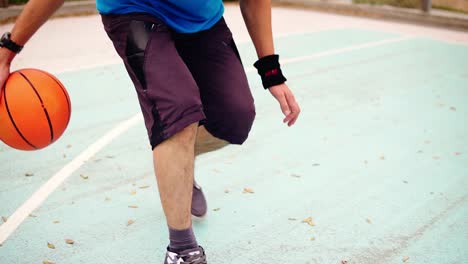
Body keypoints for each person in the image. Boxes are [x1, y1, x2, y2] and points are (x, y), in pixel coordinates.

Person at [0, 0, 301, 263]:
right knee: (177, 111)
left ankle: (175, 165)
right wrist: (9, 49)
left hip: (202, 20)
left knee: (235, 118)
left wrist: (270, 70)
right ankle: (182, 251)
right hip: (134, 12)